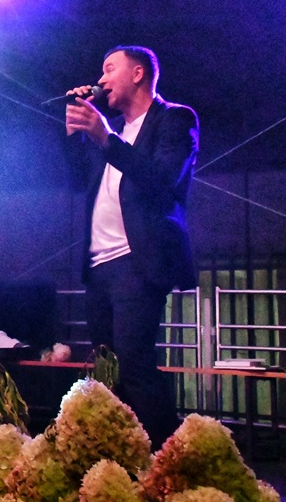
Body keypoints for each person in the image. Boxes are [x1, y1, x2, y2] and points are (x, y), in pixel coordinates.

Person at [64, 45, 199, 449]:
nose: (101, 79)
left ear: (138, 74)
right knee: (108, 372)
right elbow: (78, 182)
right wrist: (76, 134)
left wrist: (104, 136)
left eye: (110, 69)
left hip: (137, 262)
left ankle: (169, 459)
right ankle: (122, 460)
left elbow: (161, 181)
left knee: (135, 363)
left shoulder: (175, 119)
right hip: (99, 265)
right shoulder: (113, 131)